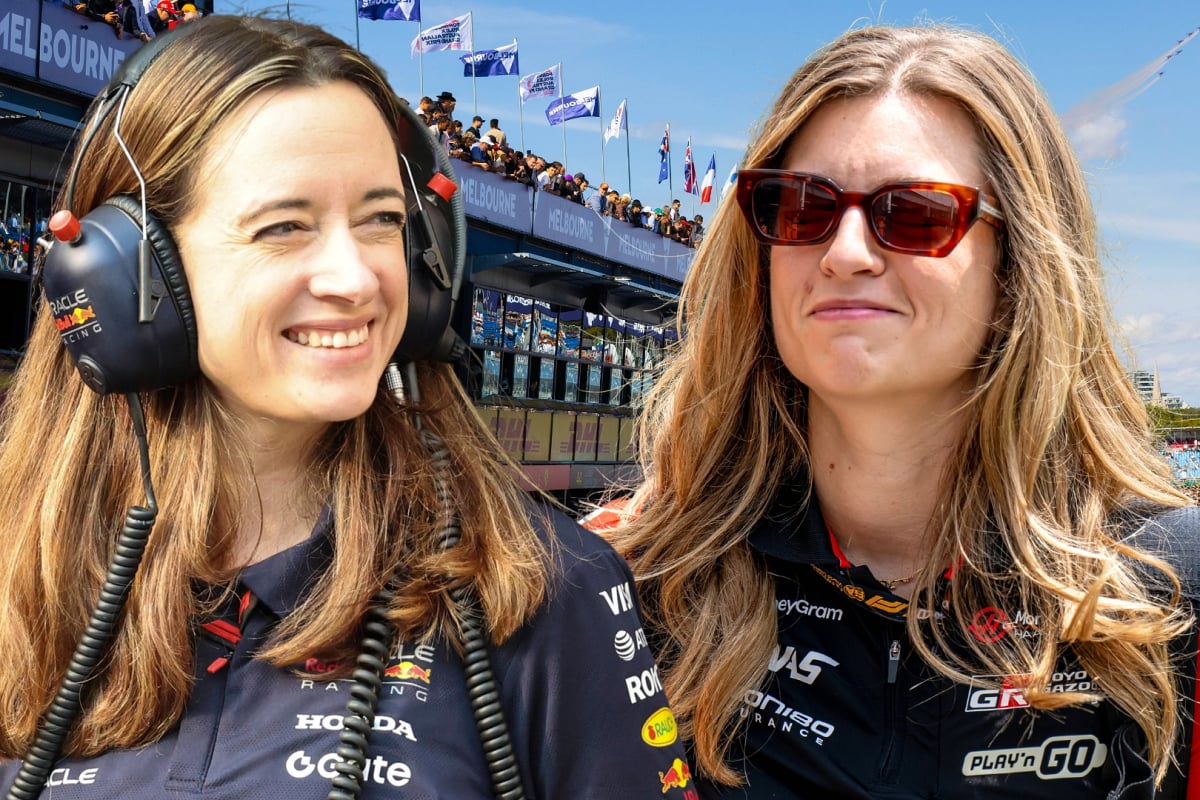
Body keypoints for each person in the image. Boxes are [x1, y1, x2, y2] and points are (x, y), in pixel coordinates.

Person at [0, 16, 691, 800]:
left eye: (383, 221)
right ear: (123, 274)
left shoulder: (544, 584)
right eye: (285, 226)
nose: (357, 277)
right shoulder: (20, 573)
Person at [604, 23, 1200, 799]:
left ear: (1019, 263)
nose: (844, 252)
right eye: (797, 207)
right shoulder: (641, 583)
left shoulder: (1171, 584)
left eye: (915, 213)